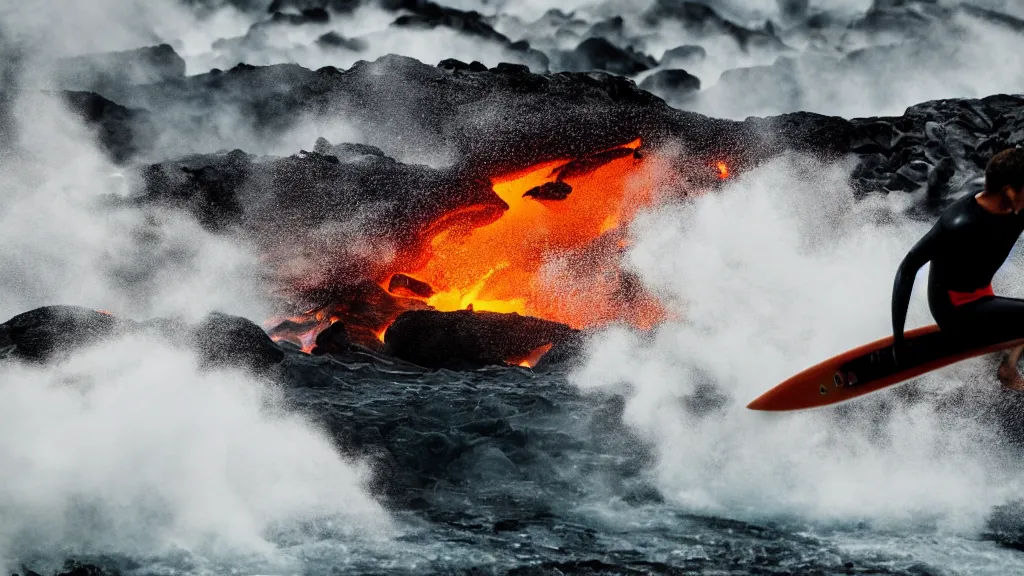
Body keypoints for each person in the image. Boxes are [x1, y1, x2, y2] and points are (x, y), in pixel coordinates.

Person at [891, 148, 1024, 389]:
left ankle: (1002, 341)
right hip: (954, 308)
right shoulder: (958, 222)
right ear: (1009, 190)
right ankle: (1007, 369)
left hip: (983, 293)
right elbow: (907, 268)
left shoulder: (1017, 207)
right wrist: (898, 342)